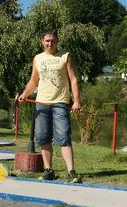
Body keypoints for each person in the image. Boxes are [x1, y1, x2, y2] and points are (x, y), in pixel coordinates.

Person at [18, 29, 83, 182]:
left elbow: (73, 79)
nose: (50, 43)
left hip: (60, 102)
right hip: (41, 103)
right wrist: (25, 93)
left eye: (53, 40)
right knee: (42, 137)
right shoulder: (38, 59)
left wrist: (76, 101)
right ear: (42, 41)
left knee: (64, 137)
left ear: (57, 41)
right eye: (47, 41)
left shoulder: (65, 56)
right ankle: (48, 170)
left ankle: (71, 172)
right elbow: (34, 81)